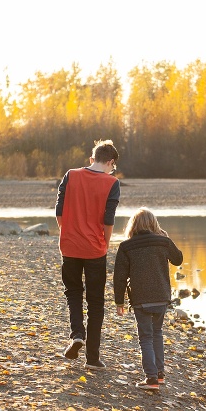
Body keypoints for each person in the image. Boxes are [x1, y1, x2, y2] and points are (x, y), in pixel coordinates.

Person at [56, 140, 120, 370]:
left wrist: (68, 234)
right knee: (95, 302)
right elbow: (108, 220)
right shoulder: (112, 183)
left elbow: (59, 212)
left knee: (73, 292)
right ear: (110, 162)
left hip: (70, 246)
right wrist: (106, 243)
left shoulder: (70, 175)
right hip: (95, 250)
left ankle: (76, 335)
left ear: (92, 159)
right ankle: (92, 358)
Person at [113, 208, 183, 390]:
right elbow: (179, 259)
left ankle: (151, 378)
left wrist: (119, 302)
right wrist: (167, 238)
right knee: (157, 333)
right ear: (154, 224)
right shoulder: (163, 242)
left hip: (141, 298)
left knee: (146, 337)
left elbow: (119, 276)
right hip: (161, 297)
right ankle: (159, 374)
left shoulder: (126, 246)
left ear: (133, 225)